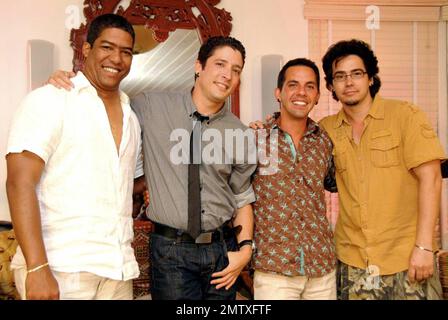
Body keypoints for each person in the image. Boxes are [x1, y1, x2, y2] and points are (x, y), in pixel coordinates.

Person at [47, 36, 257, 300]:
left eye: (236, 70)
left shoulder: (240, 132)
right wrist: (70, 83)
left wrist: (245, 251)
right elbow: (101, 103)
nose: (227, 75)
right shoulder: (150, 105)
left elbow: (242, 197)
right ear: (198, 66)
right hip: (171, 252)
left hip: (221, 252)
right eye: (220, 64)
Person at [6, 14, 142, 300]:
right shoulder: (51, 99)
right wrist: (37, 267)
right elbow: (19, 182)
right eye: (107, 47)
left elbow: (122, 186)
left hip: (119, 270)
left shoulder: (131, 118)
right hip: (61, 268)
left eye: (126, 52)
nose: (117, 59)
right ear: (87, 49)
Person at [319, 39, 445, 299]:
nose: (349, 82)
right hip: (352, 260)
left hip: (406, 257)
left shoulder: (405, 115)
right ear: (331, 86)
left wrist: (424, 246)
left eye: (357, 74)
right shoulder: (326, 129)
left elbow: (431, 178)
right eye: (340, 76)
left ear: (371, 79)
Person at [251, 58, 337, 300]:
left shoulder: (324, 142)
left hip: (321, 270)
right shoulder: (255, 139)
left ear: (318, 95)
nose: (302, 92)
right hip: (274, 272)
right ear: (278, 92)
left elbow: (338, 183)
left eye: (310, 86)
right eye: (293, 85)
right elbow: (237, 197)